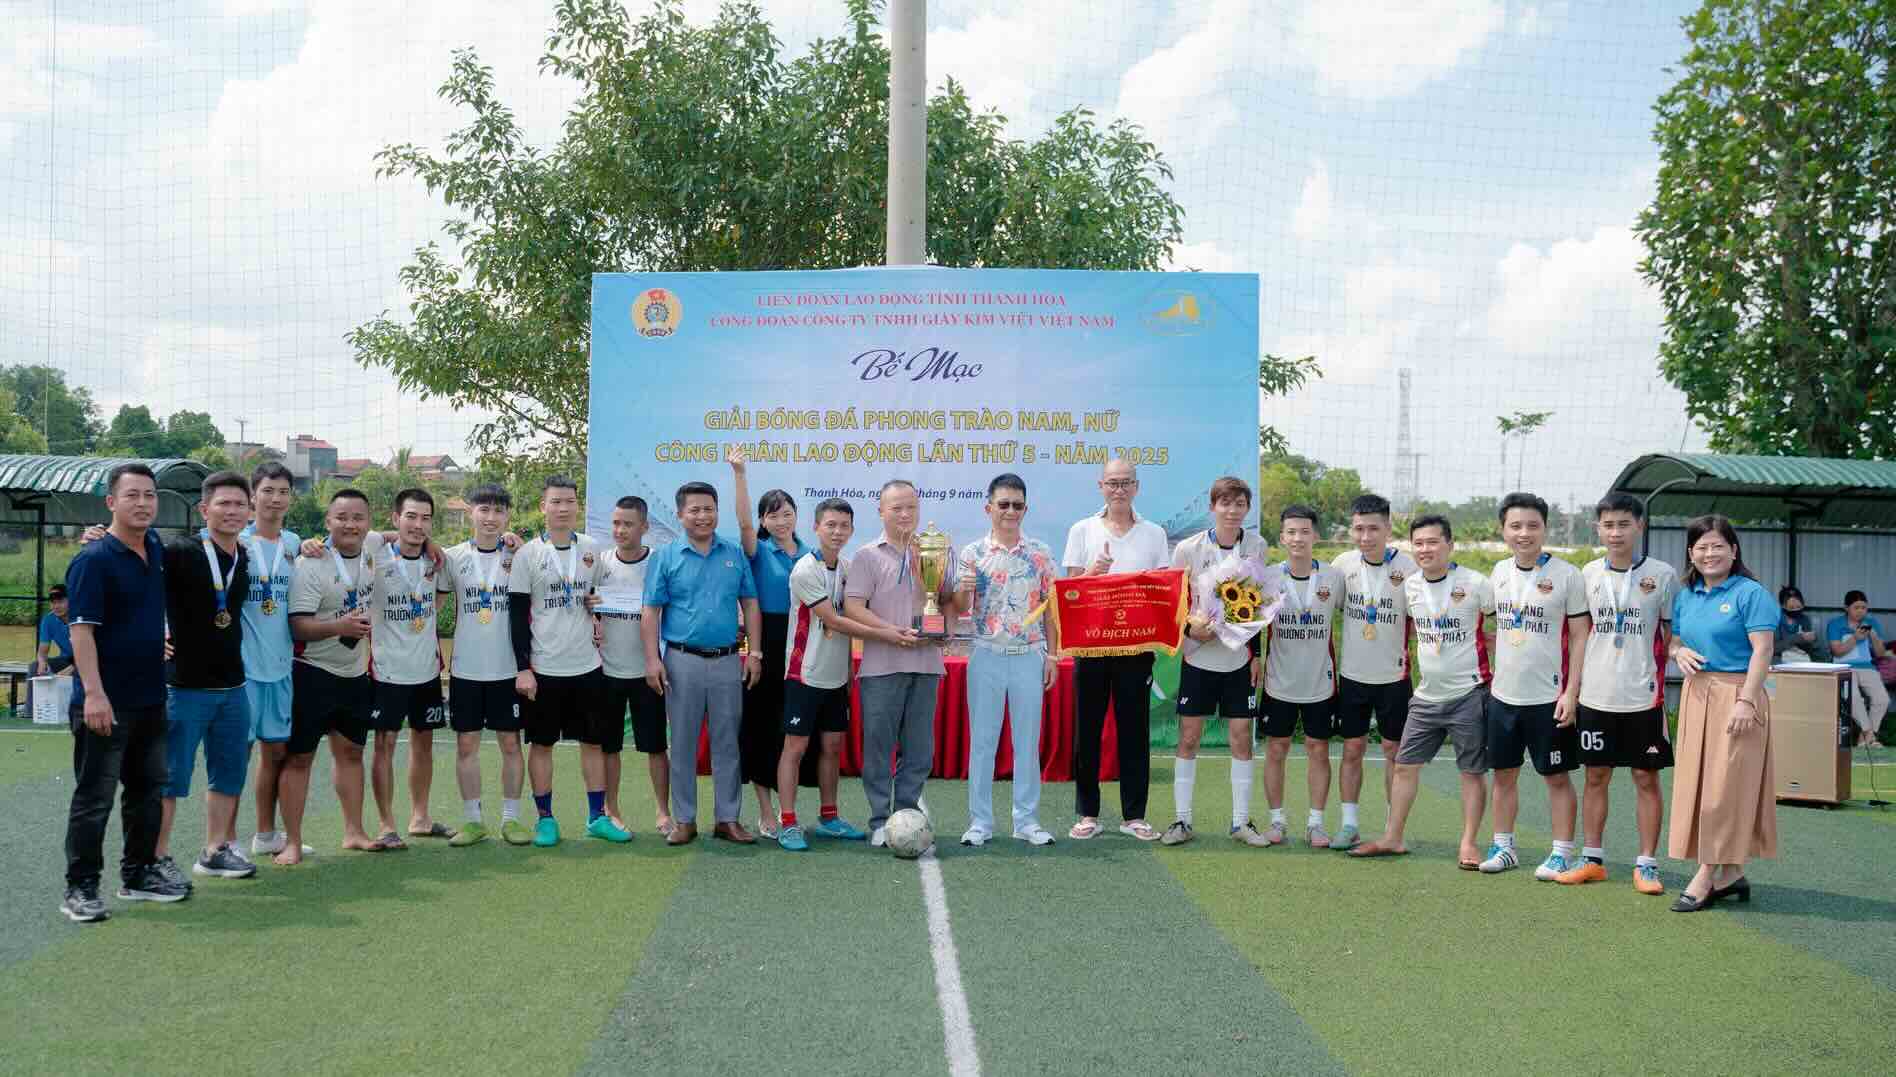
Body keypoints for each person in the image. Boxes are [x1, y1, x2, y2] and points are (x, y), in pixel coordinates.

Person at [60, 464, 183, 922]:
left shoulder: (154, 546)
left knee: (147, 792)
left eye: (150, 495)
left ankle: (140, 874)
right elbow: (81, 633)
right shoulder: (93, 560)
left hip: (151, 697)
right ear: (111, 503)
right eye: (132, 495)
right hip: (104, 705)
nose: (143, 503)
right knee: (95, 799)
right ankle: (80, 888)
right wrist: (94, 694)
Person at [1350, 515, 1494, 866]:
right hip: (1426, 697)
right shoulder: (1410, 586)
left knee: (1471, 772)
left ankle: (1468, 844)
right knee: (1403, 766)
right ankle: (1393, 837)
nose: (1425, 549)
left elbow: (1501, 627)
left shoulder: (1476, 583)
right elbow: (1413, 629)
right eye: (1419, 543)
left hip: (1469, 694)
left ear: (1450, 544)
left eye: (1433, 542)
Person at [1560, 493, 1678, 894]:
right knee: (1595, 775)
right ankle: (1592, 859)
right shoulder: (1585, 575)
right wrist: (1571, 692)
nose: (1615, 532)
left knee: (1646, 778)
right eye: (1608, 525)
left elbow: (1669, 634)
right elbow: (1577, 637)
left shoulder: (1662, 575)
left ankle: (1647, 865)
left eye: (1623, 524)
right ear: (1599, 528)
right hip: (1595, 695)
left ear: (1639, 526)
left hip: (1643, 696)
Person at [643, 479, 763, 845]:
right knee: (682, 742)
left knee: (728, 742)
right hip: (681, 662)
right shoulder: (665, 557)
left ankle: (728, 819)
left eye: (708, 508)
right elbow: (651, 612)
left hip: (728, 661)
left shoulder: (733, 553)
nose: (702, 516)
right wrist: (652, 659)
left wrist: (754, 652)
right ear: (680, 515)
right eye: (694, 510)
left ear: (717, 512)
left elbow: (750, 603)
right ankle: (685, 820)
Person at [1667, 514, 1777, 911]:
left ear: (1733, 551)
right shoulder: (1687, 596)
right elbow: (1676, 640)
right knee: (1698, 787)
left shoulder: (1751, 593)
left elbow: (1763, 651)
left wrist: (1747, 700)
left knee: (1723, 790)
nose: (1709, 553)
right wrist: (1679, 652)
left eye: (1717, 546)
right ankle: (1731, 873)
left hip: (1737, 696)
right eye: (1701, 547)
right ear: (1690, 554)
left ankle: (1705, 874)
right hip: (1698, 696)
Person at [1477, 493, 1589, 880]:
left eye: (1532, 525)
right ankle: (1504, 846)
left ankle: (1561, 853)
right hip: (1504, 695)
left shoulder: (1567, 575)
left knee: (1556, 777)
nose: (1524, 533)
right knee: (1504, 774)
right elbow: (1493, 623)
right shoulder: (1498, 573)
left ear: (1545, 528)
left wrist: (1571, 692)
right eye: (1515, 526)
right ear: (1504, 530)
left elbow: (1579, 636)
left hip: (1549, 698)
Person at [844, 479, 959, 846]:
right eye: (896, 508)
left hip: (926, 663)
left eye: (911, 506)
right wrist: (889, 631)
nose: (905, 514)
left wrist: (948, 627)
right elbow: (852, 607)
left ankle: (906, 812)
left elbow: (946, 601)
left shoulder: (935, 551)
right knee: (878, 745)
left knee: (920, 749)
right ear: (881, 511)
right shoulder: (867, 555)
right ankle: (880, 819)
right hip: (882, 664)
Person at [1061, 458, 1170, 841]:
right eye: (1112, 483)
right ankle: (1087, 813)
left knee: (1134, 731)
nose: (1119, 489)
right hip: (1091, 646)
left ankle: (1134, 815)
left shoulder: (1154, 534)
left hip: (1135, 647)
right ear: (1101, 486)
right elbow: (1070, 591)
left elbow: (1162, 592)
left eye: (1126, 483)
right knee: (1087, 729)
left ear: (1137, 487)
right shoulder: (1081, 530)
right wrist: (1094, 572)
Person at [510, 476, 623, 847]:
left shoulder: (591, 549)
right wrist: (523, 667)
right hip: (544, 668)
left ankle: (596, 816)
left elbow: (598, 597)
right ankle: (545, 819)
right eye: (555, 502)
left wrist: (597, 605)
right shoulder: (528, 554)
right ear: (543, 507)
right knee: (541, 745)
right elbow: (517, 615)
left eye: (569, 501)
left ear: (578, 505)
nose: (562, 508)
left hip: (588, 666)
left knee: (593, 744)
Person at [156, 471, 256, 882]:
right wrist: (151, 633)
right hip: (184, 686)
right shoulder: (179, 550)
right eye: (223, 504)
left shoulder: (243, 556)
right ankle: (156, 857)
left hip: (233, 686)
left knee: (229, 771)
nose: (232, 511)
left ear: (249, 511)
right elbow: (137, 584)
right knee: (170, 778)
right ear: (204, 509)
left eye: (239, 505)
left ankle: (215, 849)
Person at [775, 497, 889, 851]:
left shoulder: (850, 567)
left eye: (844, 526)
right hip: (804, 674)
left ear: (852, 530)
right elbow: (836, 620)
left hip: (837, 675)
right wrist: (890, 635)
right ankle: (788, 822)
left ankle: (828, 817)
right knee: (795, 746)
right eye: (830, 525)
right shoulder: (804, 570)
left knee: (832, 745)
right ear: (816, 527)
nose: (837, 532)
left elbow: (862, 608)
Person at [1161, 476, 1269, 847]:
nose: (1232, 510)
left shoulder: (1257, 545)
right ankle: (1181, 820)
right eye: (1225, 503)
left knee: (1241, 738)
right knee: (1189, 737)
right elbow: (1175, 604)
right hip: (1199, 658)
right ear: (1213, 507)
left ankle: (1241, 822)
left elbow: (1261, 603)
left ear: (1246, 509)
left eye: (1239, 504)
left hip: (1239, 660)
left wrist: (1256, 654)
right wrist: (1192, 632)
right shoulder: (1188, 549)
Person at [956, 473, 1061, 848]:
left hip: (1028, 656)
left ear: (1025, 509)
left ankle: (1026, 820)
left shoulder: (1041, 554)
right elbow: (955, 608)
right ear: (989, 508)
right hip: (985, 653)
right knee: (983, 742)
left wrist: (1053, 655)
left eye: (1017, 505)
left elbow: (1053, 609)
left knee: (1027, 742)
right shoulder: (971, 554)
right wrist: (959, 591)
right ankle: (980, 822)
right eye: (1003, 504)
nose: (1010, 511)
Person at [287, 489, 380, 855]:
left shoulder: (374, 550)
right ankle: (292, 841)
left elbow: (402, 535)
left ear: (368, 522)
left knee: (352, 753)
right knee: (299, 758)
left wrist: (433, 546)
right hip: (313, 672)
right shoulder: (311, 563)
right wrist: (339, 627)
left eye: (358, 517)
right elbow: (297, 626)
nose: (350, 524)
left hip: (355, 674)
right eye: (342, 517)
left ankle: (354, 831)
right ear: (328, 522)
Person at [439, 483, 531, 846]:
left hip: (507, 669)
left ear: (508, 515)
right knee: (466, 746)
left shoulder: (519, 557)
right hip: (465, 669)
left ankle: (511, 819)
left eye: (498, 511)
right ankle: (474, 820)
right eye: (484, 510)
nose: (490, 518)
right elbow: (430, 597)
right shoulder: (452, 557)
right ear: (471, 512)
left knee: (511, 745)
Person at [1329, 493, 1419, 851]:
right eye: (1359, 529)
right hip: (1352, 677)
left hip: (1394, 678)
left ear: (1388, 528)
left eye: (1373, 529)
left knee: (1393, 752)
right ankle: (1349, 824)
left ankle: (1390, 826)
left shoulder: (1409, 568)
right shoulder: (1342, 565)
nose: (1366, 536)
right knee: (1352, 750)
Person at [365, 489, 452, 844]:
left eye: (425, 518)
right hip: (386, 669)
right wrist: (399, 537)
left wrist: (431, 544)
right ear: (395, 518)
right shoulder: (375, 554)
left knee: (424, 742)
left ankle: (420, 817)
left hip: (426, 671)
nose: (418, 525)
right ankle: (387, 825)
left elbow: (436, 602)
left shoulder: (436, 563)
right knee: (384, 743)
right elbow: (357, 535)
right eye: (410, 517)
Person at [729, 447, 805, 838]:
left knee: (793, 731)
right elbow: (742, 523)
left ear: (796, 516)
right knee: (761, 727)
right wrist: (740, 473)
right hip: (766, 644)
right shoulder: (758, 552)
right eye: (772, 514)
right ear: (762, 520)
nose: (780, 519)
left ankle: (791, 807)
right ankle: (765, 810)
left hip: (805, 647)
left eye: (787, 512)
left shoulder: (811, 554)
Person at [1259, 504, 1345, 847]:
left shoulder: (1333, 577)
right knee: (1276, 749)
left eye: (1305, 531)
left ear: (1316, 535)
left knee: (1317, 749)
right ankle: (1277, 822)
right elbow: (1252, 625)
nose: (1298, 538)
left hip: (1319, 682)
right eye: (1291, 532)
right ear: (1282, 538)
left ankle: (1316, 824)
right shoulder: (1267, 577)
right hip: (1278, 681)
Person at [240, 462, 308, 862]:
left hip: (281, 666)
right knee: (237, 754)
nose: (275, 498)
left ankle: (266, 834)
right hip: (241, 668)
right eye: (268, 490)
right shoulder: (231, 540)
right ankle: (224, 842)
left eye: (283, 491)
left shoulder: (296, 544)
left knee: (276, 752)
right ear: (253, 495)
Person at [594, 494, 666, 837]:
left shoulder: (658, 563)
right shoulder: (599, 562)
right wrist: (587, 604)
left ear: (645, 527)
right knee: (609, 747)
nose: (620, 530)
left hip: (648, 672)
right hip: (606, 672)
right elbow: (580, 599)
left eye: (628, 524)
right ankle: (612, 810)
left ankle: (663, 812)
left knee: (655, 747)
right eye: (616, 523)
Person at [1825, 590, 1888, 748]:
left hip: (1867, 667)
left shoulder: (1872, 622)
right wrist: (1855, 638)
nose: (1861, 611)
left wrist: (1873, 636)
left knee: (1882, 699)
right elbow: (1836, 651)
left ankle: (1863, 738)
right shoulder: (1835, 624)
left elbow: (1880, 653)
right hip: (1843, 667)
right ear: (1846, 608)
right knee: (1853, 697)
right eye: (1856, 607)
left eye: (1864, 607)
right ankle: (1869, 734)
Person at [1773, 587, 1819, 664]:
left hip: (1800, 660)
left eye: (1798, 607)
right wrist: (1797, 638)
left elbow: (1809, 648)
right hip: (1778, 662)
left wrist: (1812, 639)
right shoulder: (1774, 620)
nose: (1795, 610)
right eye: (1791, 607)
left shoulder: (1804, 619)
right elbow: (1773, 648)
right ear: (1782, 606)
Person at [35, 584, 72, 674]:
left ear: (71, 601)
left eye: (60, 602)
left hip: (89, 660)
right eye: (53, 602)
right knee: (34, 667)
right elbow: (42, 653)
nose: (56, 606)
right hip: (65, 660)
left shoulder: (80, 619)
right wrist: (42, 662)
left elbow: (90, 655)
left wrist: (70, 670)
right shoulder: (48, 620)